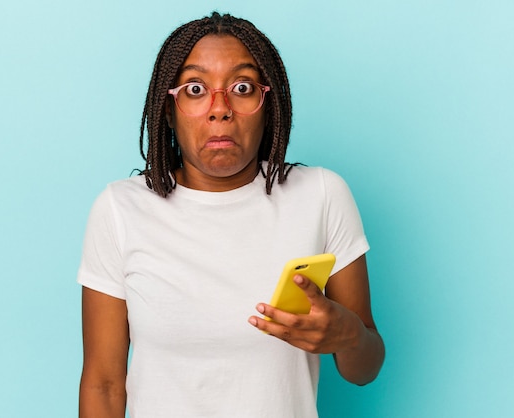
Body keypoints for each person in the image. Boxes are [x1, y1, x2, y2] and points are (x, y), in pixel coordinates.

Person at [77, 12, 384, 418]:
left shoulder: (322, 195)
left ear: (267, 106)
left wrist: (348, 336)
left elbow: (364, 369)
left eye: (242, 87)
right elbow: (104, 383)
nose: (219, 109)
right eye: (195, 88)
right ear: (168, 110)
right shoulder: (120, 209)